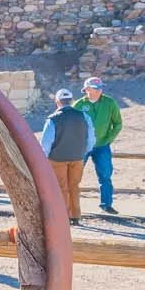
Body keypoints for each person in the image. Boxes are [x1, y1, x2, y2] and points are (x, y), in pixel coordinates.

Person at [38, 89, 95, 223]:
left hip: (57, 159)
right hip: (77, 157)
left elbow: (46, 143)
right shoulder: (84, 116)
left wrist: (44, 159)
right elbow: (91, 139)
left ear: (57, 102)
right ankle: (75, 216)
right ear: (71, 101)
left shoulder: (53, 119)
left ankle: (63, 217)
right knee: (74, 186)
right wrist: (83, 152)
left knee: (61, 187)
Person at [74, 75, 124, 215]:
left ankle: (106, 204)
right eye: (96, 88)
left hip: (102, 146)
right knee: (74, 176)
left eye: (100, 88)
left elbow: (118, 124)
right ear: (87, 89)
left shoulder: (110, 103)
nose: (99, 90)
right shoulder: (78, 105)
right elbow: (70, 124)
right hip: (81, 146)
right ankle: (70, 205)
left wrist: (108, 139)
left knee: (105, 175)